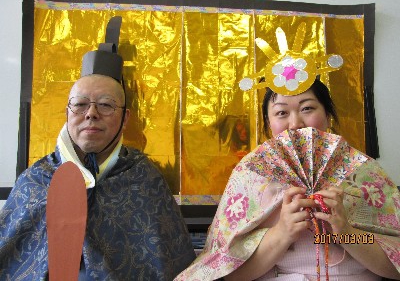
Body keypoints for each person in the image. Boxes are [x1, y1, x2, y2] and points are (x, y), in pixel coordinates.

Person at [175, 24, 400, 281]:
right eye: (282, 112)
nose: (295, 124)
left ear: (327, 115)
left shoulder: (363, 171)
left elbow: (394, 268)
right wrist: (283, 231)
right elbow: (228, 275)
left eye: (307, 108)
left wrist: (344, 231)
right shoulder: (251, 174)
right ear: (268, 124)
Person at [0, 17, 195, 280]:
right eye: (80, 104)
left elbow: (171, 264)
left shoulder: (144, 179)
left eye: (105, 105)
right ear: (67, 113)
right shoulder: (36, 180)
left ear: (125, 119)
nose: (91, 114)